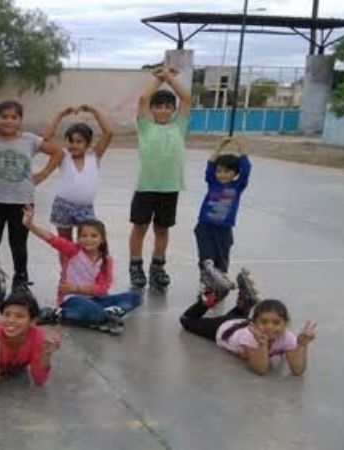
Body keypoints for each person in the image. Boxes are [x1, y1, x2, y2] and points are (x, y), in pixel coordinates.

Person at [0, 100, 63, 299]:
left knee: (18, 243)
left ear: (20, 120)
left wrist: (42, 174)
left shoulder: (30, 140)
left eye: (14, 117)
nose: (9, 121)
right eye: (4, 117)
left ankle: (20, 281)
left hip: (22, 202)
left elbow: (57, 152)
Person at [23, 206, 142, 334]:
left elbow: (102, 288)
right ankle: (63, 314)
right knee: (92, 310)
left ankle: (105, 315)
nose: (88, 239)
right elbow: (51, 238)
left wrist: (76, 288)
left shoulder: (106, 260)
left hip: (95, 299)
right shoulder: (73, 251)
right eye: (83, 235)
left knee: (134, 297)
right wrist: (30, 225)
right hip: (72, 299)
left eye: (93, 236)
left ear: (102, 239)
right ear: (78, 238)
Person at [180, 269, 316, 376]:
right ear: (254, 322)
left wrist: (302, 346)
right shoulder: (250, 337)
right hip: (222, 328)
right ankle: (213, 296)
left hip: (238, 322)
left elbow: (297, 371)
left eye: (276, 322)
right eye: (264, 322)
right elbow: (261, 370)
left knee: (234, 317)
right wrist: (262, 345)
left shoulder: (288, 337)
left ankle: (244, 304)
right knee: (186, 321)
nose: (270, 327)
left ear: (285, 324)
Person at [128, 66, 192, 291]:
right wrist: (160, 78)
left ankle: (158, 266)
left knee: (162, 230)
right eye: (159, 106)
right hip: (146, 187)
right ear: (152, 110)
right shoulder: (145, 127)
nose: (164, 110)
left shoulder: (179, 127)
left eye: (168, 107)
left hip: (170, 188)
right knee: (140, 227)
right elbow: (144, 97)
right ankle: (136, 266)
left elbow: (186, 97)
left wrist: (171, 80)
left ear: (173, 110)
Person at [42, 103, 114, 240]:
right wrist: (60, 115)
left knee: (88, 242)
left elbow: (108, 133)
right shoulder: (62, 155)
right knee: (64, 244)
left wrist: (93, 110)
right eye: (71, 141)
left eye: (79, 142)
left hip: (85, 207)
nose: (74, 145)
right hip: (63, 205)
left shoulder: (94, 156)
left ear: (88, 143)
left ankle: (82, 263)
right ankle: (67, 263)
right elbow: (45, 138)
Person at [195, 137, 252, 306]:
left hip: (223, 231)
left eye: (227, 172)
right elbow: (211, 163)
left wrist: (241, 147)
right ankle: (205, 286)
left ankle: (219, 286)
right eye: (220, 171)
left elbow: (247, 168)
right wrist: (220, 146)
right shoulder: (212, 182)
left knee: (221, 260)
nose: (222, 174)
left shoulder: (237, 186)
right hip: (205, 227)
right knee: (206, 259)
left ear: (235, 174)